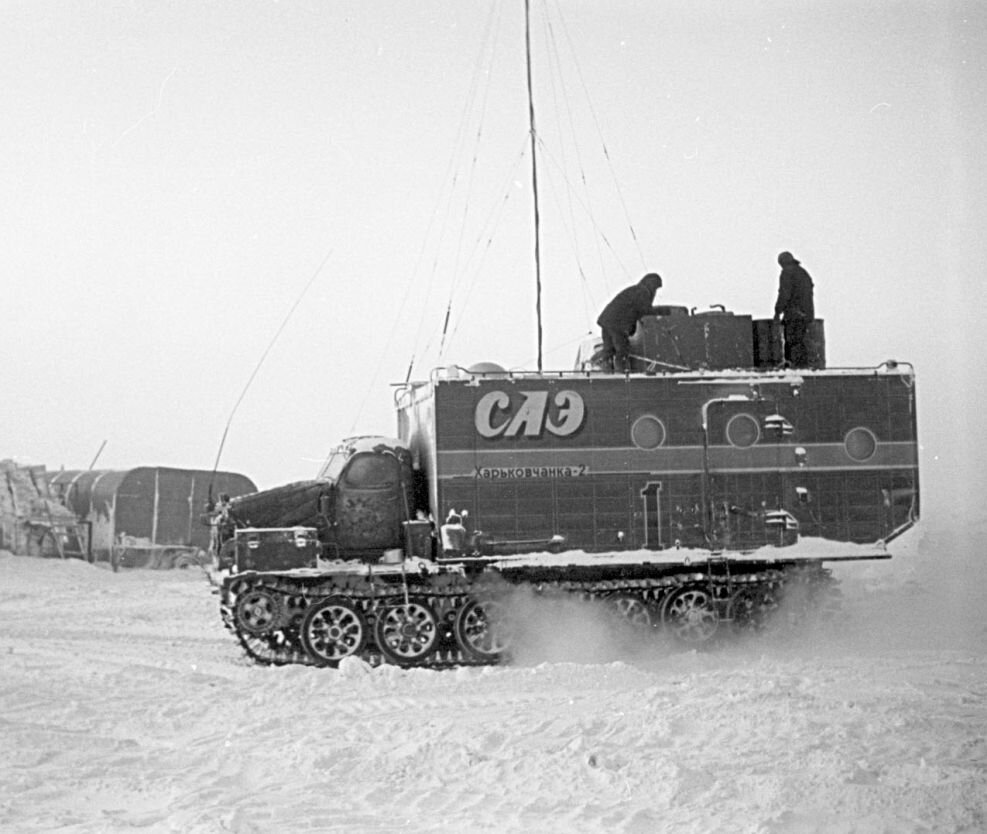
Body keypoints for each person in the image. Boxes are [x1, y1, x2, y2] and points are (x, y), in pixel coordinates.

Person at [596, 272, 663, 372]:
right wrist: (662, 311)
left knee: (609, 350)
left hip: (607, 321)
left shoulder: (635, 290)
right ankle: (622, 373)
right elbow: (645, 310)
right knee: (622, 350)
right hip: (617, 324)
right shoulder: (642, 292)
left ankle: (604, 370)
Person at [773, 251, 815, 368]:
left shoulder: (787, 273)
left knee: (791, 341)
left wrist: (777, 311)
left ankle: (792, 366)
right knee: (801, 342)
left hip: (794, 314)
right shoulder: (803, 272)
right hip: (806, 314)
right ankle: (803, 365)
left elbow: (784, 293)